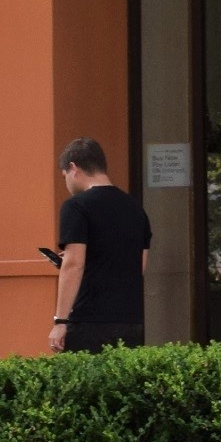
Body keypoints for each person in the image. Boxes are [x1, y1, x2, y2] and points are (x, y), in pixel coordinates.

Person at [50, 137, 152, 353]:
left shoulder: (76, 207)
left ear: (73, 168)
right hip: (130, 322)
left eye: (64, 176)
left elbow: (74, 264)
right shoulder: (135, 209)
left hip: (89, 321)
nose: (66, 182)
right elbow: (139, 267)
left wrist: (60, 322)